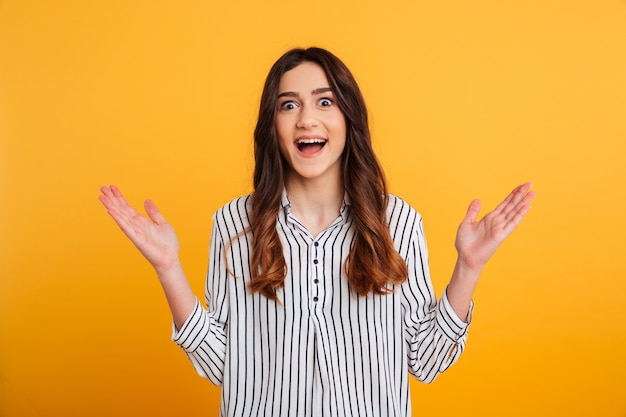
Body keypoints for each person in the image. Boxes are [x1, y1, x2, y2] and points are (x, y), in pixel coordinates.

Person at [99, 47, 535, 417]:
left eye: (324, 102)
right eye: (288, 105)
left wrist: (469, 266)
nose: (307, 118)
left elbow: (425, 359)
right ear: (274, 126)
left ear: (349, 118)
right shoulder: (234, 225)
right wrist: (168, 267)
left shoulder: (397, 223)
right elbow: (221, 365)